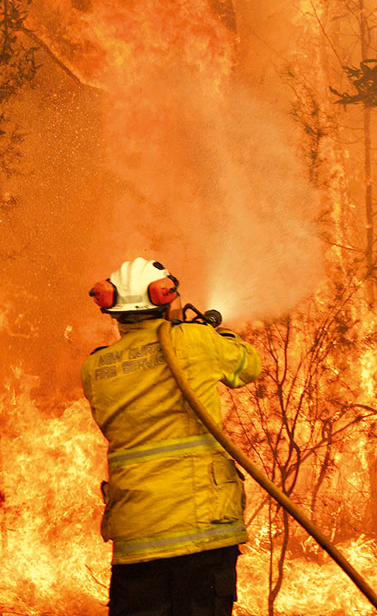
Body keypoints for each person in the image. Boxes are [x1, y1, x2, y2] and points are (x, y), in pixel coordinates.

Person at [82, 257, 262, 616]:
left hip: (138, 540)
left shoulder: (95, 367)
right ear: (166, 300)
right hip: (203, 534)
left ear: (113, 310)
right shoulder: (194, 340)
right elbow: (248, 365)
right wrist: (215, 333)